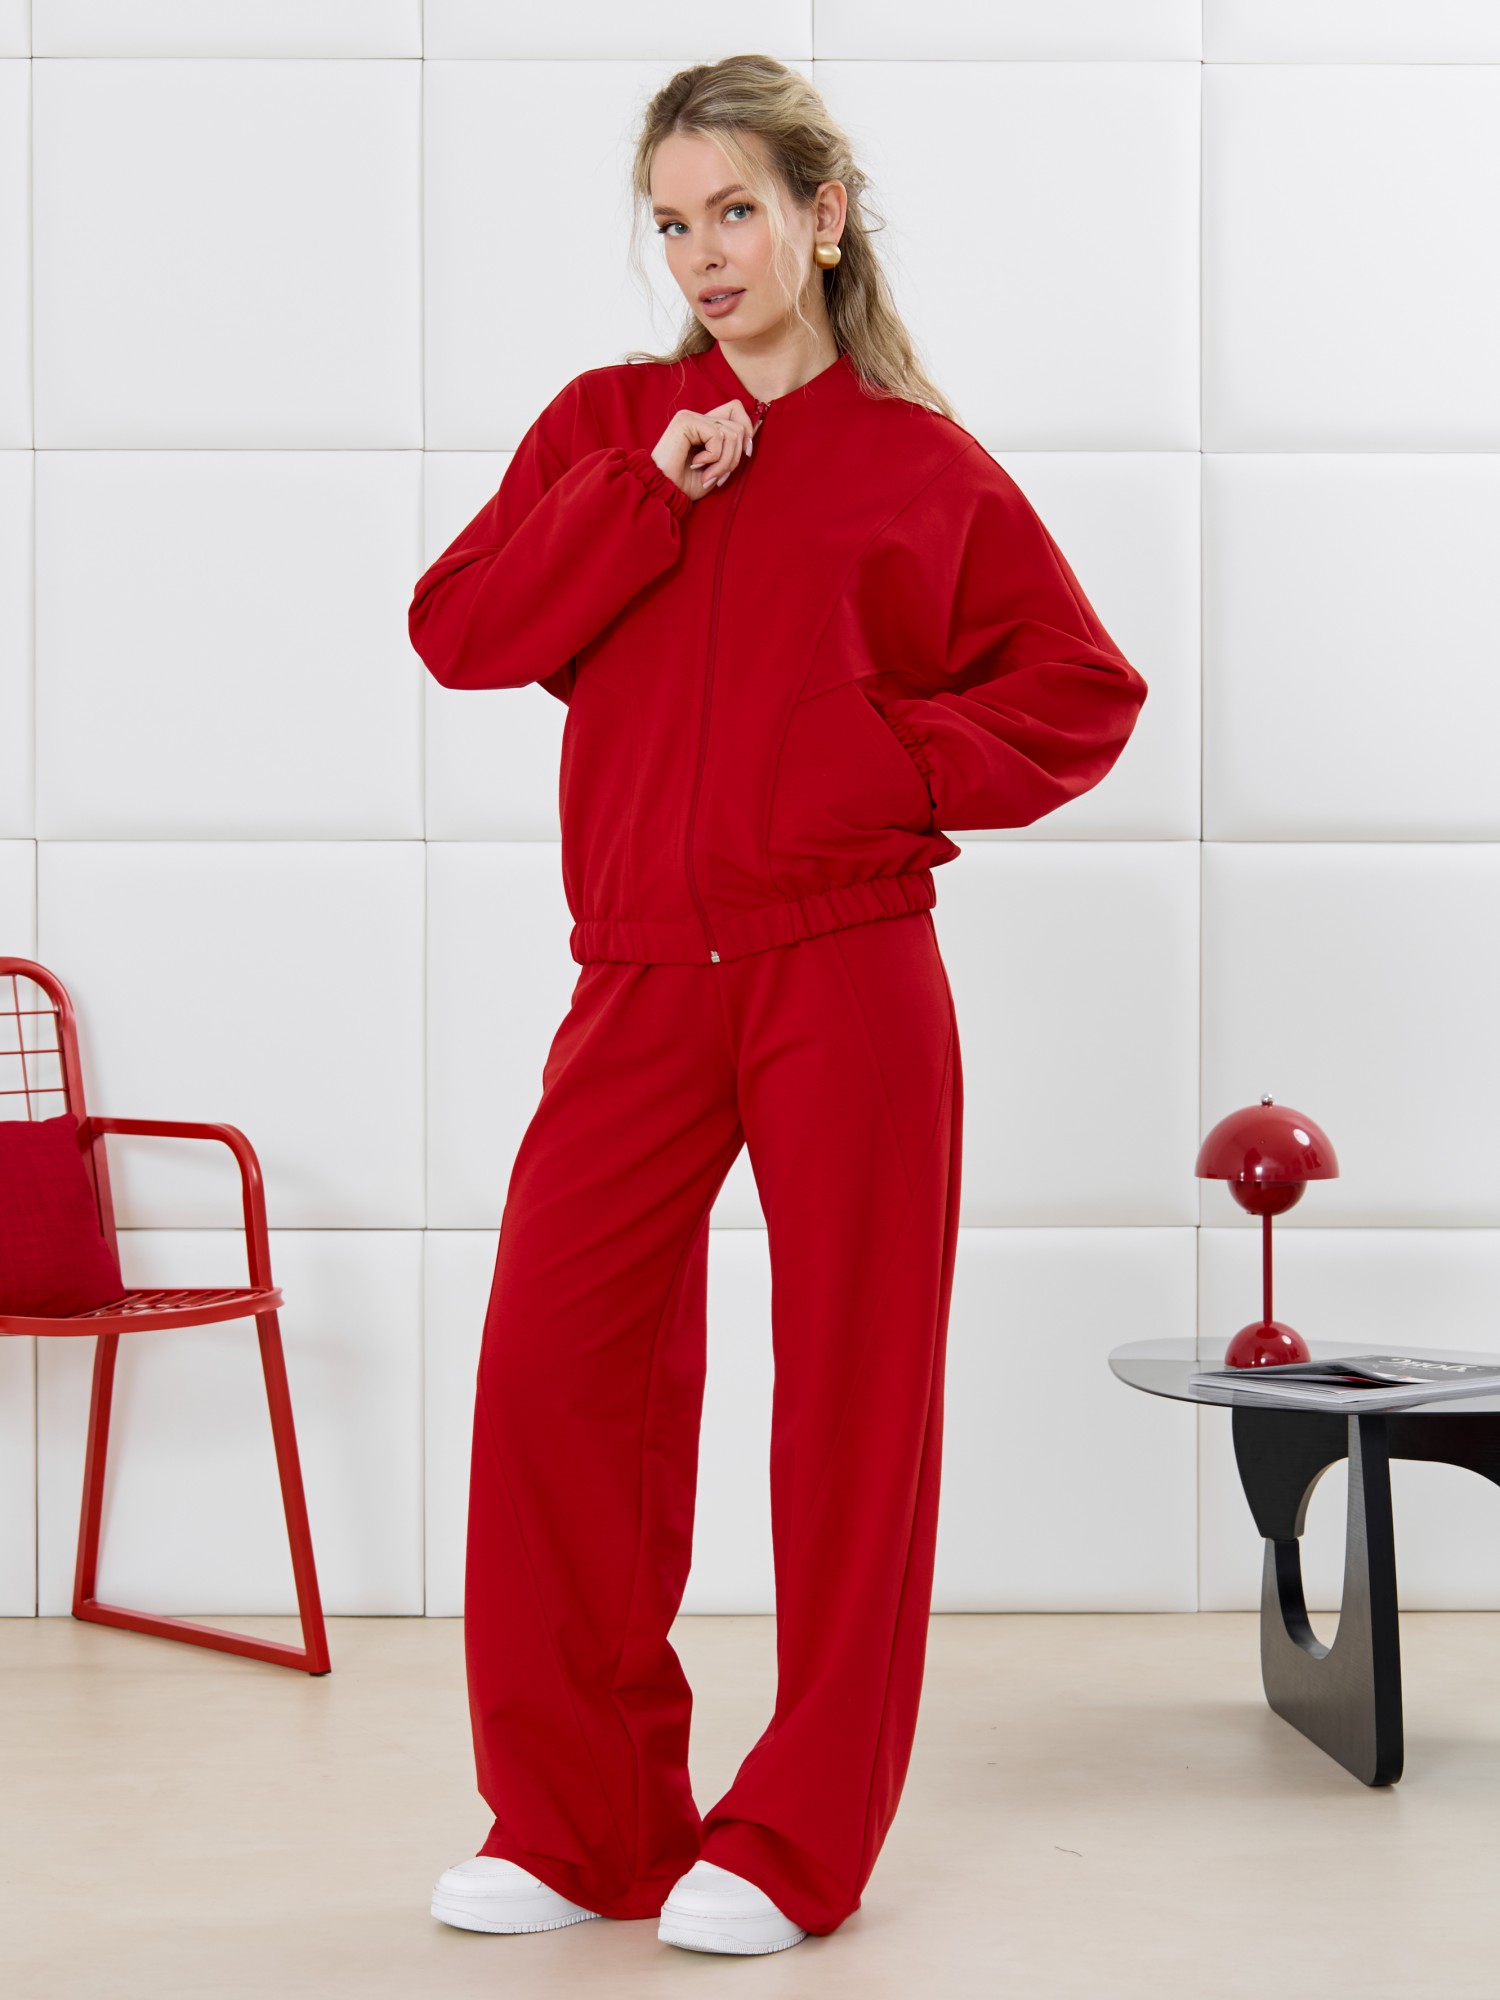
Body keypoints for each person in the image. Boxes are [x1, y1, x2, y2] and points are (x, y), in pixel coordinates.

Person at [408, 53, 1147, 1958]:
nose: (704, 255)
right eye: (672, 222)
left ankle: (795, 1840)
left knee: (848, 1408)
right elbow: (462, 628)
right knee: (557, 1377)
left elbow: (1082, 690)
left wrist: (888, 766)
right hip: (640, 976)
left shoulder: (922, 466)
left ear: (822, 216)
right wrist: (638, 502)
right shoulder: (611, 425)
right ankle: (580, 1820)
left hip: (847, 966)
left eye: (735, 210)